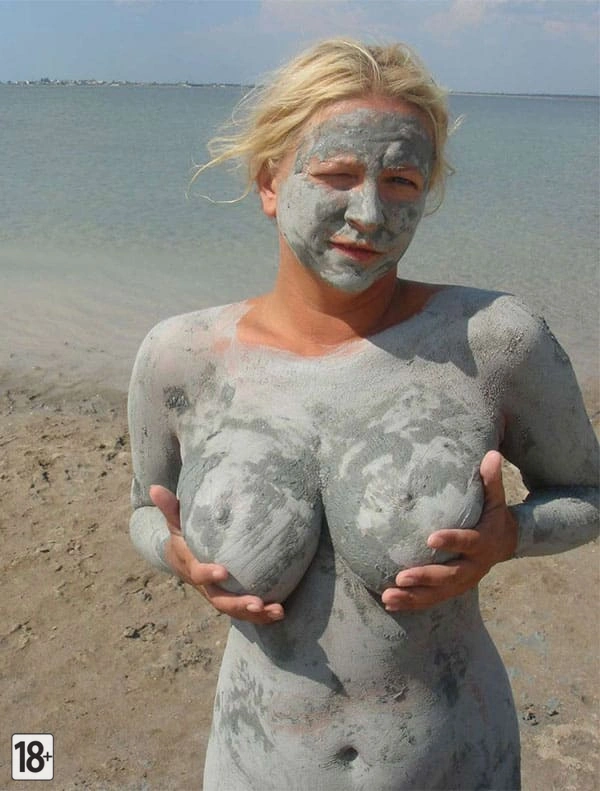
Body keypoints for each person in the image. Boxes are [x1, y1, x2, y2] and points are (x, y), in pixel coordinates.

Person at [128, 39, 599, 791]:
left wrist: (510, 535)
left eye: (402, 180)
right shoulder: (180, 358)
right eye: (337, 175)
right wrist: (176, 555)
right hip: (255, 765)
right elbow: (143, 512)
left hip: (456, 761)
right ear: (270, 182)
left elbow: (588, 494)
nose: (370, 213)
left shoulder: (493, 342)